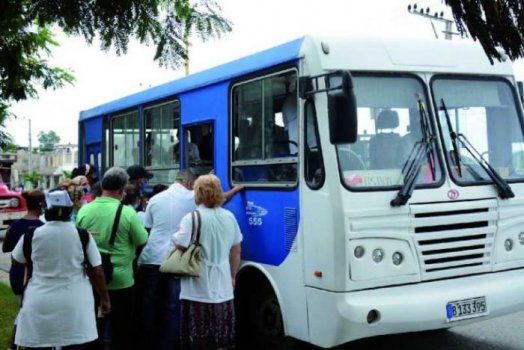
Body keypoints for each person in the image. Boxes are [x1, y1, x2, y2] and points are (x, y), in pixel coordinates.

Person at [11, 189, 110, 350]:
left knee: (39, 343)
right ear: (70, 210)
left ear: (45, 209)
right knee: (75, 344)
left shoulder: (31, 234)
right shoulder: (82, 235)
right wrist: (105, 299)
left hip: (40, 300)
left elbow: (17, 261)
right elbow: (97, 272)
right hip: (75, 301)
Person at [77, 167, 148, 350]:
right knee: (121, 329)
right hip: (121, 280)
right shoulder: (127, 213)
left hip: (91, 278)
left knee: (94, 328)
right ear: (121, 189)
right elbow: (142, 239)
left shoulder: (85, 210)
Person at [173, 174, 242, 349]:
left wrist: (178, 231)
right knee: (220, 330)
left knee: (198, 333)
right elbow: (236, 250)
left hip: (197, 282)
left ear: (198, 194)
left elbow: (180, 245)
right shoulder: (229, 217)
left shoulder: (192, 218)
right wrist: (233, 276)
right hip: (223, 282)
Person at [2, 190, 45, 350]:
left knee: (24, 308)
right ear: (42, 205)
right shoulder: (42, 228)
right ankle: (16, 343)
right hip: (32, 275)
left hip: (16, 273)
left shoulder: (15, 226)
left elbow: (6, 248)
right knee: (26, 312)